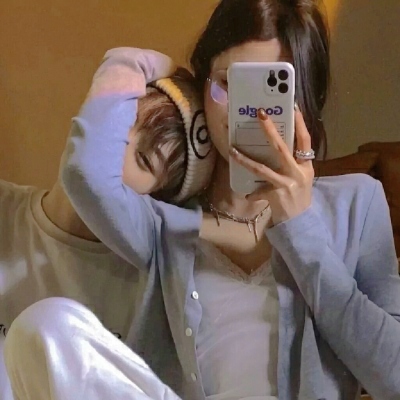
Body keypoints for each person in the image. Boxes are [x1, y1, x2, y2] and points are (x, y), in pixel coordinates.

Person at [5, 1, 400, 400]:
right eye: (228, 83)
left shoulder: (358, 202)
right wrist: (148, 64)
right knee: (44, 327)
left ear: (302, 101)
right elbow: (84, 173)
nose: (248, 111)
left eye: (269, 87)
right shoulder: (165, 220)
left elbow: (394, 377)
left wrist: (300, 229)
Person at [0, 54, 212, 400]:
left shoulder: (151, 289)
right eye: (120, 119)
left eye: (144, 159)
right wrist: (170, 67)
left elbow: (88, 172)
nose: (116, 144)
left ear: (155, 200)